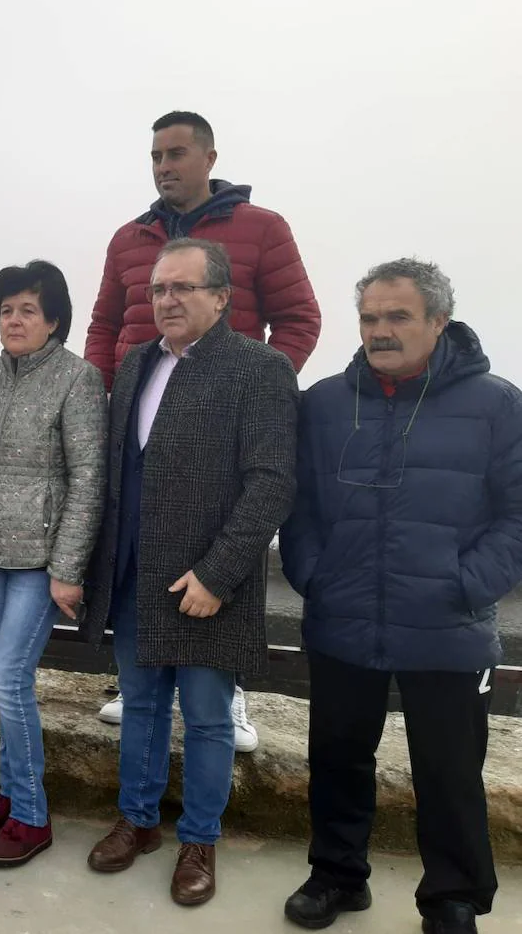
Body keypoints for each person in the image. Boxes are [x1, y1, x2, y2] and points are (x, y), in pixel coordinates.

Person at [280, 259, 522, 934]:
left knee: (448, 770)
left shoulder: (498, 403)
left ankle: (451, 895)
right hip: (344, 612)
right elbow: (297, 504)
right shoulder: (325, 401)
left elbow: (517, 515)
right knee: (336, 755)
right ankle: (335, 873)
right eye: (369, 318)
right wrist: (313, 572)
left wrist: (467, 582)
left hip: (447, 623)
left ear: (438, 322)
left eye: (398, 317)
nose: (380, 331)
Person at [84, 111, 322, 747]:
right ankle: (137, 684)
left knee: (215, 563)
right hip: (138, 422)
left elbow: (300, 318)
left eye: (177, 153)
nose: (164, 165)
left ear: (210, 158)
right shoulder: (128, 238)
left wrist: (251, 394)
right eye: (156, 155)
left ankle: (229, 696)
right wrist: (105, 404)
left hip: (221, 429)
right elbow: (104, 324)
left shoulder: (262, 228)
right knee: (141, 564)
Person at [81, 238, 298, 906]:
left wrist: (218, 574)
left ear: (221, 297)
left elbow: (271, 483)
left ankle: (199, 838)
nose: (166, 300)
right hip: (134, 575)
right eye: (157, 289)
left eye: (182, 288)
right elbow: (119, 474)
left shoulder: (258, 368)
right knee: (141, 708)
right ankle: (139, 821)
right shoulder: (139, 361)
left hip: (208, 585)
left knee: (207, 720)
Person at [0, 260, 106, 867]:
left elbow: (88, 479)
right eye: (7, 309)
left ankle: (32, 815)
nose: (14, 320)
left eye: (27, 310)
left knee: (7, 680)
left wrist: (68, 567)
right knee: (8, 679)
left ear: (53, 320)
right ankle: (11, 794)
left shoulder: (77, 380)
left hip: (41, 563)